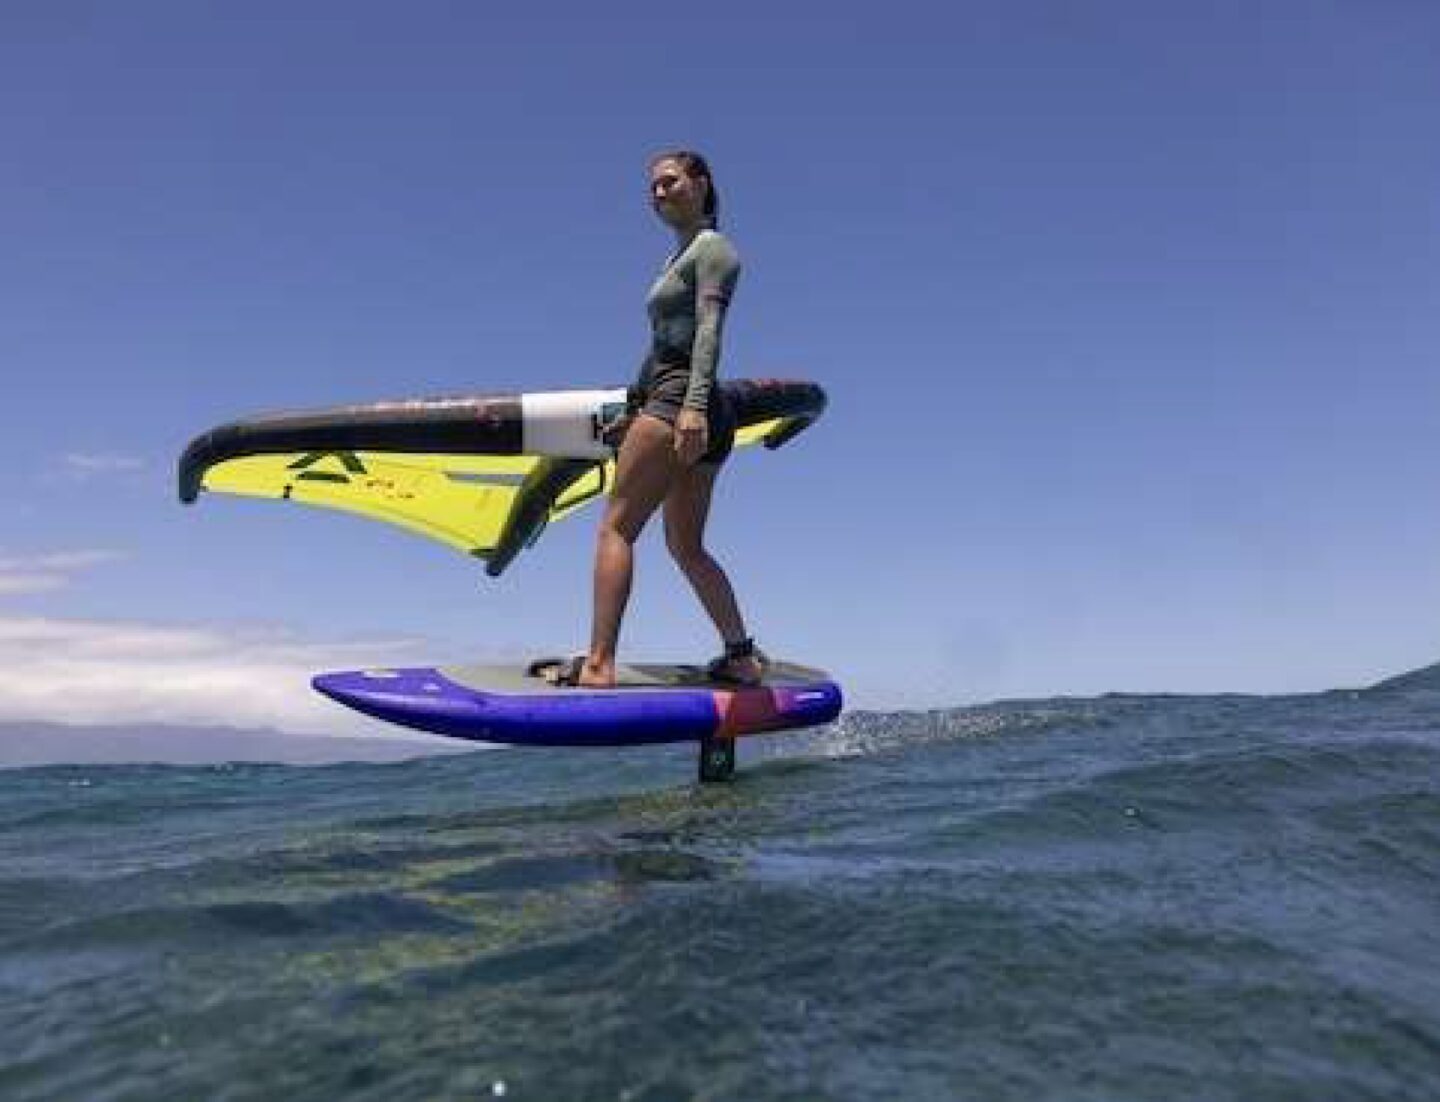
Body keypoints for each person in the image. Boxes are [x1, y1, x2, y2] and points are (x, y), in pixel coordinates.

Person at [556, 150, 765, 689]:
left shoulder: (713, 249)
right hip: (687, 404)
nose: (658, 193)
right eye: (652, 187)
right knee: (686, 546)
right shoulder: (679, 258)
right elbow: (660, 348)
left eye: (669, 182)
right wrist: (634, 406)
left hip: (684, 403)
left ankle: (598, 665)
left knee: (616, 529)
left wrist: (690, 406)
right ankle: (741, 657)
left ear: (702, 184)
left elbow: (709, 331)